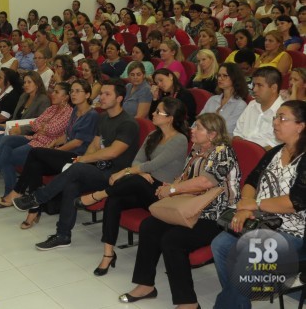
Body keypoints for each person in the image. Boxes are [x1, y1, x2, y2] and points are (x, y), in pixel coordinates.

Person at [119, 113, 240, 308]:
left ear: (212, 134)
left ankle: (188, 303)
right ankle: (146, 285)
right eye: (193, 125)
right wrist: (171, 186)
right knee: (150, 225)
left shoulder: (223, 151)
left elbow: (205, 182)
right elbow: (186, 178)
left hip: (216, 215)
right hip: (191, 208)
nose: (192, 129)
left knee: (173, 240)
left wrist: (173, 190)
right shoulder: (197, 149)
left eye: (198, 127)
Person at [13, 79, 140, 250]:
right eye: (101, 93)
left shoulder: (128, 123)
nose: (101, 97)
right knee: (73, 182)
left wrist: (83, 161)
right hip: (96, 168)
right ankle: (63, 235)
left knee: (77, 167)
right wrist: (84, 161)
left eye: (107, 94)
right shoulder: (103, 118)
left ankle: (38, 197)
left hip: (114, 174)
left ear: (119, 99)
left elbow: (113, 152)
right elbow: (94, 145)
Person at [77, 97, 188, 276]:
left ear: (170, 118)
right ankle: (108, 253)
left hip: (162, 193)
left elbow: (153, 164)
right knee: (115, 200)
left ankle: (99, 195)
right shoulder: (154, 135)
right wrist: (140, 172)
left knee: (132, 179)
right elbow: (138, 160)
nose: (153, 113)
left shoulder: (179, 140)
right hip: (144, 184)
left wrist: (127, 172)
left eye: (158, 111)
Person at [212, 100, 306, 309]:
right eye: (275, 118)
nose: (275, 123)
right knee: (220, 245)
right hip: (259, 220)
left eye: (282, 118)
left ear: (300, 126)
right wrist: (246, 205)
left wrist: (252, 206)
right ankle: (237, 300)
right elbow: (251, 181)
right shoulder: (274, 152)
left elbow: (295, 202)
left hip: (292, 230)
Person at [234, 67, 284, 149]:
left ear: (273, 88)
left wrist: (253, 152)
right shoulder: (252, 105)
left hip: (265, 158)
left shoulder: (284, 112)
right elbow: (237, 134)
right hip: (242, 152)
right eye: (254, 85)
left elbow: (277, 146)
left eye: (259, 85)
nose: (254, 89)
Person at [199, 63, 249, 135]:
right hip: (204, 137)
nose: (220, 78)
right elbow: (199, 120)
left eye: (224, 76)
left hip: (222, 142)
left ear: (234, 77)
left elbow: (227, 129)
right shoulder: (212, 99)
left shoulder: (240, 105)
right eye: (219, 75)